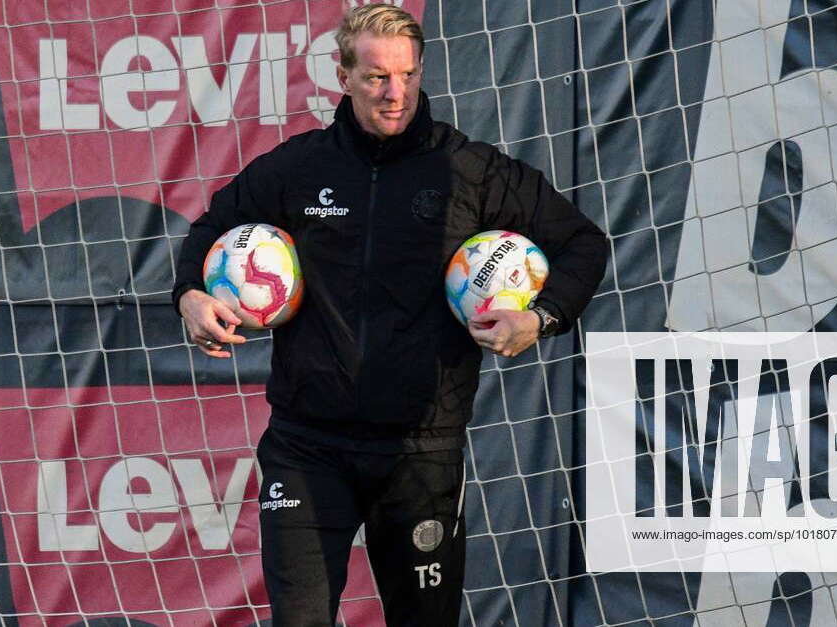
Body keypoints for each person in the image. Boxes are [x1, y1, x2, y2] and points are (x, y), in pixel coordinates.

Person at [171, 4, 607, 626]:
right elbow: (211, 228)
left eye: (407, 74)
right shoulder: (300, 168)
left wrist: (540, 318)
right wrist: (191, 294)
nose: (395, 93)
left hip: (420, 452)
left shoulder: (470, 170)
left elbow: (584, 244)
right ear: (342, 74)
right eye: (377, 76)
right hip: (306, 446)